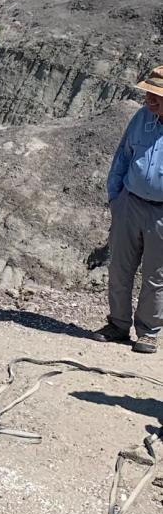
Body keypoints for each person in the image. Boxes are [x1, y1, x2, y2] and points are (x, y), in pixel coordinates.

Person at [98, 65, 163, 354]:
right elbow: (122, 157)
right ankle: (118, 325)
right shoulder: (141, 117)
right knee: (120, 268)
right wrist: (116, 198)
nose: (150, 99)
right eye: (149, 92)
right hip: (130, 203)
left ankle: (149, 332)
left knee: (156, 275)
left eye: (157, 95)